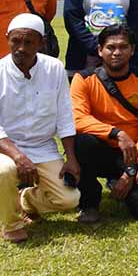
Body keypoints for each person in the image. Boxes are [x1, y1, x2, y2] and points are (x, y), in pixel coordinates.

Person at [70, 25, 138, 221]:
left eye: (123, 47)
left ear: (132, 50)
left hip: (132, 155)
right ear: (99, 50)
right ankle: (89, 203)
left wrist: (130, 172)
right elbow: (78, 119)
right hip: (98, 149)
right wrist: (116, 134)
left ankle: (119, 181)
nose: (116, 53)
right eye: (110, 47)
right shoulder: (83, 79)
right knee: (82, 141)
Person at [0, 14, 80, 243]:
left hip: (42, 147)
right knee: (4, 172)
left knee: (68, 200)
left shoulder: (54, 68)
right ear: (7, 39)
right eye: (16, 41)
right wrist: (17, 156)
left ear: (41, 43)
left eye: (29, 42)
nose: (21, 48)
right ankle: (12, 224)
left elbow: (65, 114)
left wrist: (71, 157)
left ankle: (25, 200)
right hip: (6, 148)